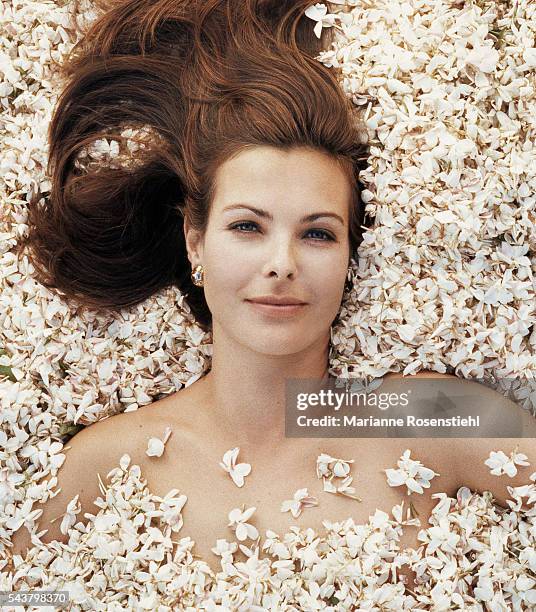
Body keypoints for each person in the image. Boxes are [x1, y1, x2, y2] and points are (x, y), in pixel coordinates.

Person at [9, 0, 536, 595]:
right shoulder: (105, 464)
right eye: (247, 227)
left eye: (317, 233)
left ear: (348, 259)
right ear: (195, 242)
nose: (282, 265)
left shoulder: (432, 421)